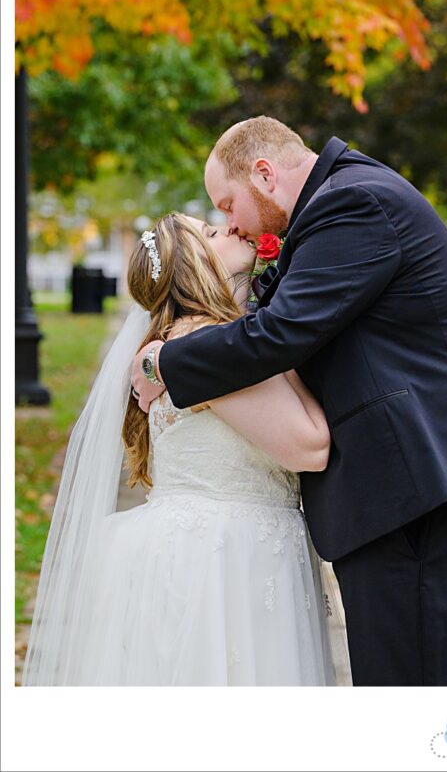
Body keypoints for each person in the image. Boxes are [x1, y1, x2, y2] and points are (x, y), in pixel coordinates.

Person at [131, 117, 447, 686]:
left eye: (228, 204)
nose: (229, 222)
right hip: (406, 497)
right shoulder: (342, 202)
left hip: (426, 497)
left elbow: (279, 335)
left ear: (264, 174)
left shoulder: (352, 202)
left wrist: (165, 362)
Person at [23, 213, 336, 685]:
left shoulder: (184, 345)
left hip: (216, 549)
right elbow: (310, 448)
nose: (230, 227)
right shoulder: (206, 346)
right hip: (223, 561)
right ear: (192, 268)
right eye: (210, 233)